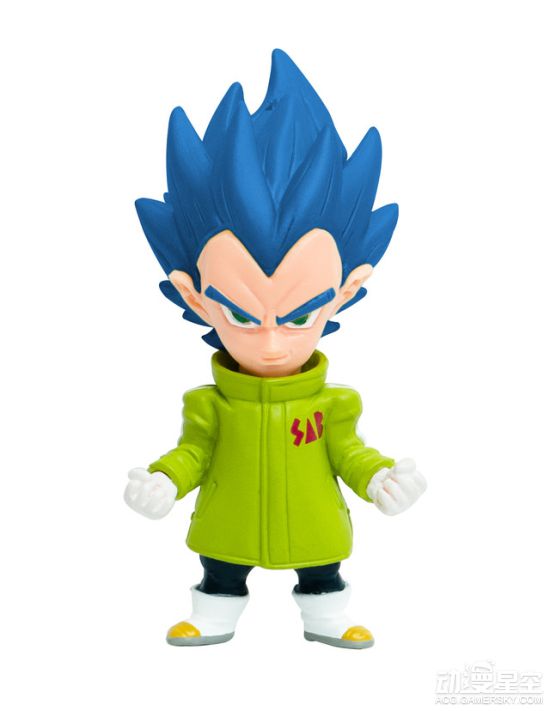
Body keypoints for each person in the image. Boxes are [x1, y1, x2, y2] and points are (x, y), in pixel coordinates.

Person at [124, 49, 427, 649]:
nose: (268, 343)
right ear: (195, 297)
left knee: (321, 570)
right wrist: (162, 480)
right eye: (240, 314)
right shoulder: (208, 405)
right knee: (220, 569)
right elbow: (193, 453)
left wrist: (381, 479)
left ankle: (325, 615)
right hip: (229, 523)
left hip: (313, 525)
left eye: (298, 316)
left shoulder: (334, 406)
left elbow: (349, 453)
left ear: (345, 291)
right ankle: (214, 612)